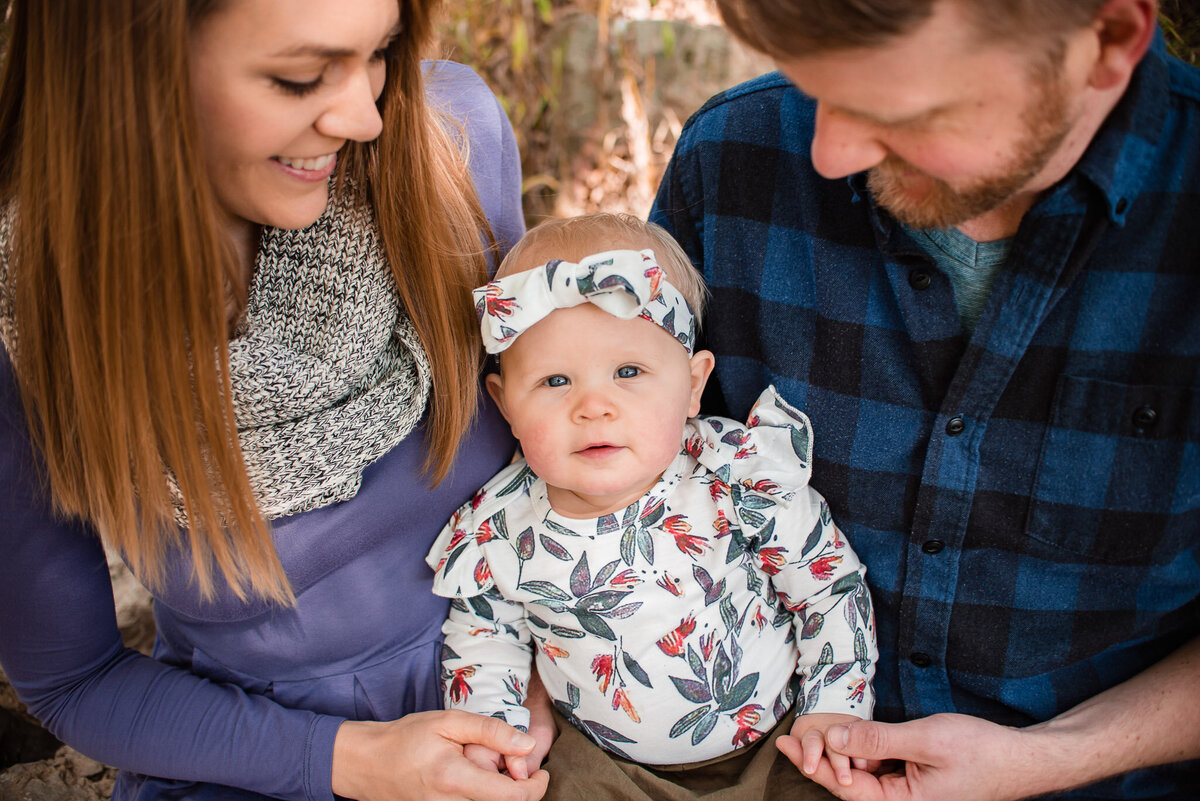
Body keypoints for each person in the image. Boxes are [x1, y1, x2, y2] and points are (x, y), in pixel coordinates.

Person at [0, 1, 552, 799]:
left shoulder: (451, 136)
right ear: (129, 76)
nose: (366, 116)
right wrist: (355, 760)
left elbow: (558, 456)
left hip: (537, 707)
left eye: (381, 52)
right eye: (300, 78)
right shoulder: (35, 320)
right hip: (256, 759)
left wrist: (557, 659)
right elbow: (74, 680)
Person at [650, 0, 1200, 798]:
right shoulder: (731, 158)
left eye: (900, 110)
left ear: (1109, 41)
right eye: (816, 91)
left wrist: (1053, 756)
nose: (830, 153)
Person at [424, 213, 879, 800]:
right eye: (555, 381)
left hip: (780, 740)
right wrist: (496, 733)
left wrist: (834, 709)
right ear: (504, 401)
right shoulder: (499, 529)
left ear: (693, 384)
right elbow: (484, 636)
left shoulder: (733, 480)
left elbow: (828, 589)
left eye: (629, 372)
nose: (594, 406)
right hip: (601, 761)